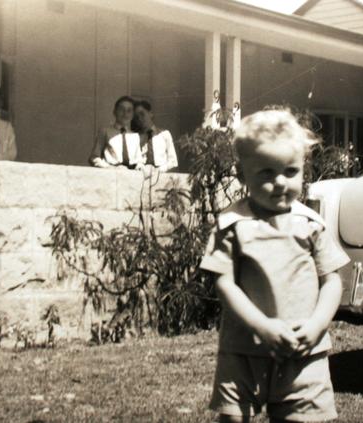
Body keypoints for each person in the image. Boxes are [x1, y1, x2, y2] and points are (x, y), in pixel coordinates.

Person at [200, 110, 350, 422]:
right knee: (233, 417)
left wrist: (317, 325)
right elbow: (225, 284)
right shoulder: (231, 224)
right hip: (244, 350)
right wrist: (263, 327)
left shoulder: (312, 225)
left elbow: (332, 281)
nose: (280, 182)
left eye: (291, 171)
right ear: (242, 174)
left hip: (304, 350)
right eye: (266, 173)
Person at [89, 96, 142, 169]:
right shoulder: (105, 131)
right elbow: (94, 158)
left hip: (131, 173)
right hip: (112, 173)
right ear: (115, 112)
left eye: (129, 110)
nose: (125, 114)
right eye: (121, 109)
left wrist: (140, 165)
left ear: (132, 115)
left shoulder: (135, 136)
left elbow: (139, 159)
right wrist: (110, 167)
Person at [133, 100, 178, 172]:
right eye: (136, 117)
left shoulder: (164, 134)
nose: (140, 119)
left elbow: (173, 162)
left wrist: (159, 170)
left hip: (161, 174)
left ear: (150, 114)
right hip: (143, 174)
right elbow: (135, 161)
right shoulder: (136, 138)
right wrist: (141, 167)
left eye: (142, 114)